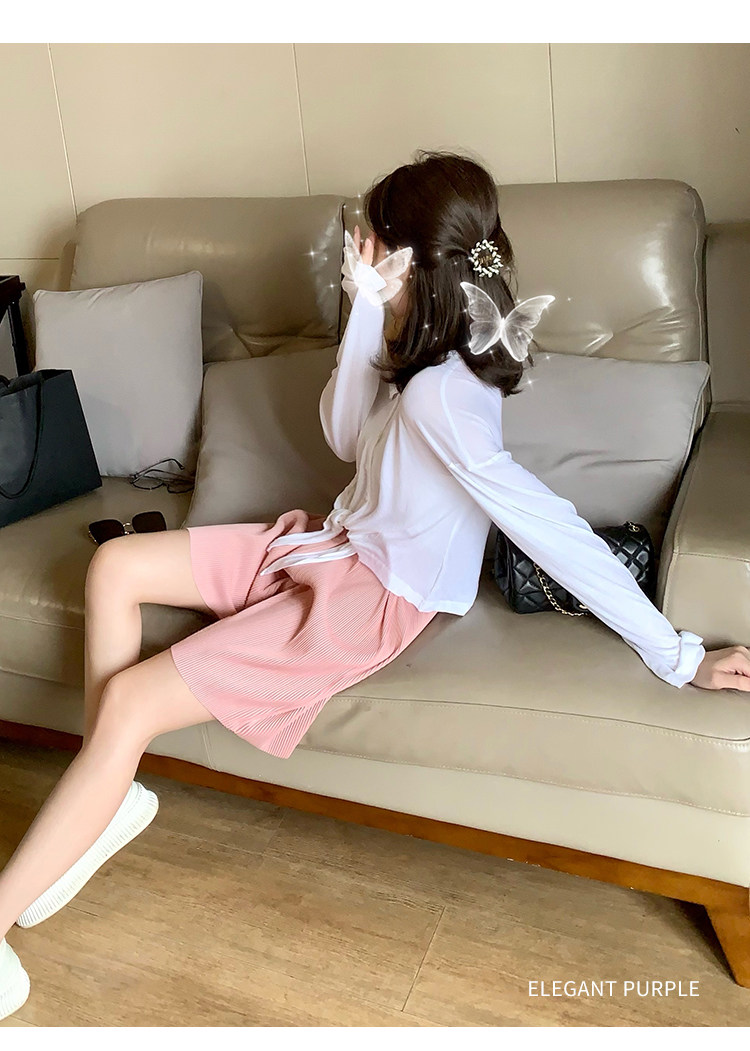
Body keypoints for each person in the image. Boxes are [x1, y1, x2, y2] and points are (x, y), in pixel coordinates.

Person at [1, 148, 748, 1020]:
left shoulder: (447, 395)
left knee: (130, 703)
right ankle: (106, 789)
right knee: (115, 565)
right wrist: (362, 307)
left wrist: (677, 653)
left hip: (365, 600)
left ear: (414, 262)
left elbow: (550, 528)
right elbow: (347, 436)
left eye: (375, 237)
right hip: (326, 542)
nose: (360, 243)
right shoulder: (430, 352)